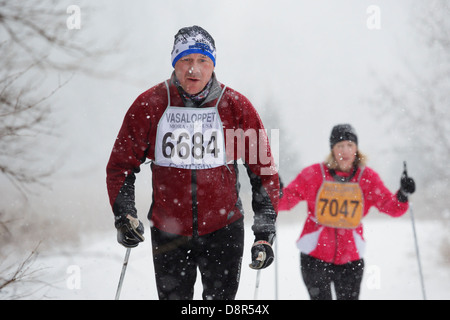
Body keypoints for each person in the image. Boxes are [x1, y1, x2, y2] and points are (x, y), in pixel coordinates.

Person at [106, 26, 279, 300]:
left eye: (202, 61)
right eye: (186, 60)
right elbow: (120, 166)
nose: (193, 70)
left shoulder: (235, 107)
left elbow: (264, 171)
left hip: (224, 229)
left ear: (213, 65)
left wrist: (264, 231)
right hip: (168, 231)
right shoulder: (151, 105)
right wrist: (124, 214)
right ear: (174, 63)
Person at [279, 124, 416, 300]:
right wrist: (276, 192)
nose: (345, 151)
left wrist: (403, 194)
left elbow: (390, 206)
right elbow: (286, 200)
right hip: (315, 256)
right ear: (332, 149)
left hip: (350, 258)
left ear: (356, 149)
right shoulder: (314, 174)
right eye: (340, 146)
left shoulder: (367, 177)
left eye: (350, 145)